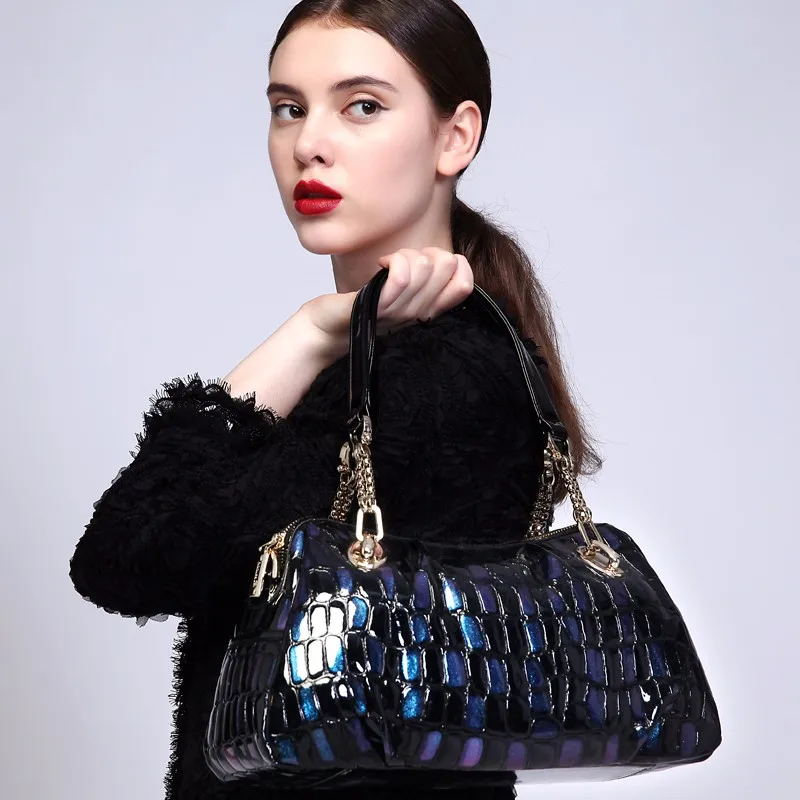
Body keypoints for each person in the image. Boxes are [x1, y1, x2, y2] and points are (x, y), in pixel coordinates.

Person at [69, 1, 602, 798]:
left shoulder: (439, 374)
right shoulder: (394, 361)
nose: (308, 143)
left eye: (361, 106)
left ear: (455, 137)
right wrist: (323, 330)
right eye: (289, 108)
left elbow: (129, 556)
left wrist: (309, 333)